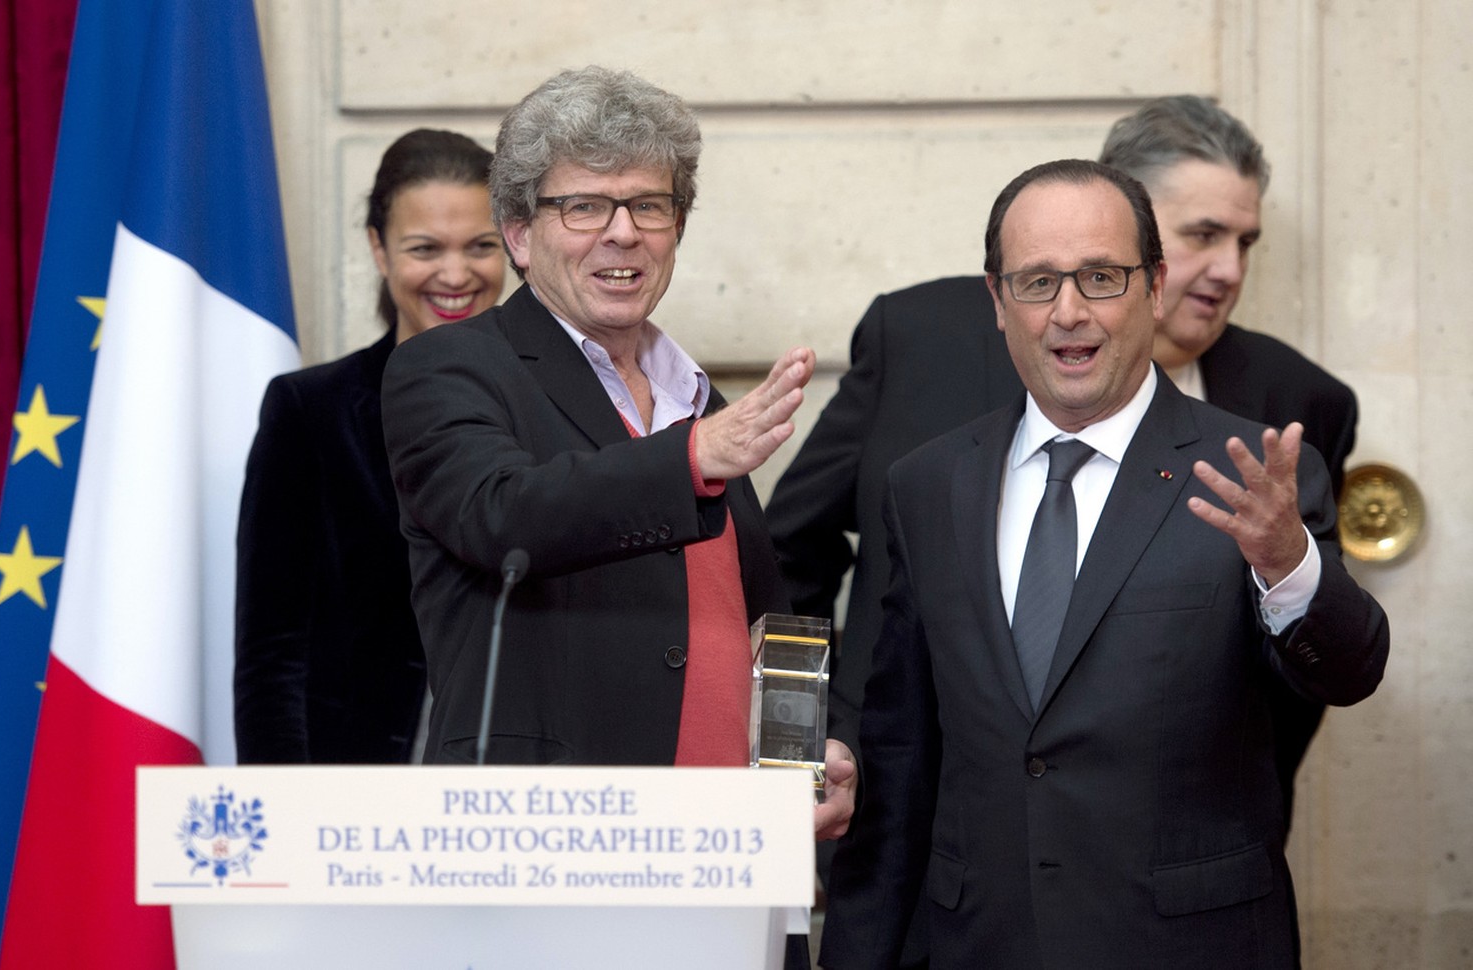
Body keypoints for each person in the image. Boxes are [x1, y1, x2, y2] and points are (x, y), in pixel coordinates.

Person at [817, 159, 1388, 969]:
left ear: (1153, 288)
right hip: (979, 942)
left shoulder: (1245, 475)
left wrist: (1288, 567)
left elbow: (1350, 670)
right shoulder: (930, 485)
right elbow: (902, 757)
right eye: (1038, 282)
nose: (1070, 313)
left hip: (1188, 946)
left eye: (1100, 277)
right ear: (997, 301)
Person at [769, 96, 1355, 840]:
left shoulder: (1293, 401)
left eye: (1247, 241)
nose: (1229, 271)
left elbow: (1312, 661)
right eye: (1206, 234)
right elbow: (789, 558)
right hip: (915, 837)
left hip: (1165, 880)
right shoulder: (923, 342)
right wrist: (796, 752)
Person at [380, 59, 854, 867]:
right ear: (522, 235)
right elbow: (502, 515)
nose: (623, 231)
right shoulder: (452, 367)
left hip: (728, 857)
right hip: (553, 851)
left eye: (648, 205)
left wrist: (810, 753)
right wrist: (694, 455)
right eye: (585, 206)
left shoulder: (689, 393)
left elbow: (753, 622)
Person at [234, 128, 505, 764]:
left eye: (480, 246)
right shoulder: (309, 413)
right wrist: (283, 816)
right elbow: (272, 656)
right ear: (379, 249)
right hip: (353, 802)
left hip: (528, 802)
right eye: (425, 248)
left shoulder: (561, 402)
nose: (455, 274)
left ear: (514, 246)